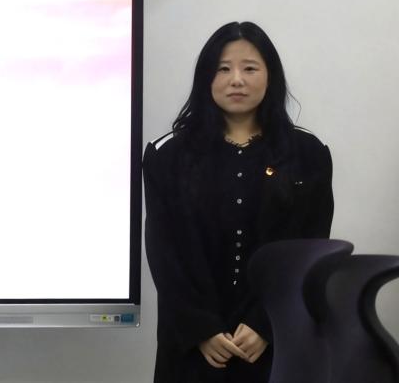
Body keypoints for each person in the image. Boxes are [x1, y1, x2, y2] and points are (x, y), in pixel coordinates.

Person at [143, 21, 334, 382]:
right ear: (205, 77)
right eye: (223, 69)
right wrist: (201, 328)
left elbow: (311, 250)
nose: (236, 80)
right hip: (191, 344)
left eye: (249, 68)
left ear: (270, 76)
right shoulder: (166, 155)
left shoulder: (308, 153)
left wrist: (265, 323)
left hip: (275, 342)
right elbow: (164, 252)